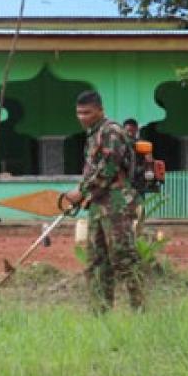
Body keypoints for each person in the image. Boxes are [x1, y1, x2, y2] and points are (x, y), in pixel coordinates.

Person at [64, 91, 144, 313]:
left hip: (116, 204)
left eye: (87, 112)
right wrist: (85, 195)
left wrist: (81, 191)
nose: (82, 117)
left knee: (123, 257)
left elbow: (108, 169)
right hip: (98, 204)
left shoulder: (111, 132)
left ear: (100, 110)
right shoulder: (93, 134)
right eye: (79, 113)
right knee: (96, 262)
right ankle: (100, 313)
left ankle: (140, 309)